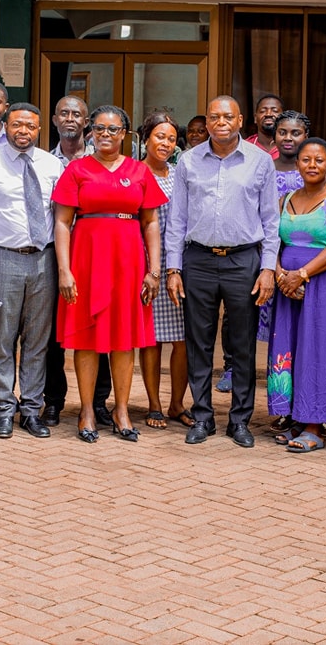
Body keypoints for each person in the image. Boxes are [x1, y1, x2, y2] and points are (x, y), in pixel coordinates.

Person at [167, 95, 279, 448]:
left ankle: (240, 420)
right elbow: (177, 219)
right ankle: (202, 416)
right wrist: (173, 267)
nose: (220, 122)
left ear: (240, 120)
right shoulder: (188, 161)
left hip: (243, 260)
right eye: (214, 117)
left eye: (227, 116)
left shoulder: (260, 162)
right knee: (198, 342)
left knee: (241, 342)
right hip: (198, 260)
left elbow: (270, 221)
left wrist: (268, 269)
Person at [52, 105, 166, 443]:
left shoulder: (139, 171)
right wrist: (64, 270)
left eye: (113, 129)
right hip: (87, 260)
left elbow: (152, 223)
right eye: (99, 128)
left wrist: (154, 270)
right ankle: (87, 409)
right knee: (87, 338)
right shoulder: (77, 169)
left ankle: (121, 409)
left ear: (125, 134)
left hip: (129, 263)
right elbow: (61, 222)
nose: (105, 134)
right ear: (91, 131)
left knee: (124, 338)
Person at [0, 103, 63, 440]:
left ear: (39, 130)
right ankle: (4, 410)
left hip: (43, 259)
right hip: (1, 259)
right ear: (5, 126)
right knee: (2, 339)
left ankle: (31, 410)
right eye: (18, 124)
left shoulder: (52, 166)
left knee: (38, 340)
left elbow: (63, 219)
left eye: (31, 126)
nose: (24, 131)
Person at [268, 137, 326, 452]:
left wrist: (301, 274)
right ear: (298, 164)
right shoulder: (286, 198)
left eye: (319, 160)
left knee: (318, 350)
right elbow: (272, 239)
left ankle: (315, 424)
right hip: (286, 288)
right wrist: (279, 273)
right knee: (289, 347)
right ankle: (293, 417)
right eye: (306, 160)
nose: (312, 165)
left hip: (322, 286)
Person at [44, 95, 111, 429]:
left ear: (87, 122)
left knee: (100, 327)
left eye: (77, 114)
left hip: (95, 257)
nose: (70, 118)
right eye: (64, 113)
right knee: (54, 334)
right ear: (55, 119)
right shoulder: (42, 161)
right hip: (53, 257)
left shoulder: (104, 160)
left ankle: (99, 402)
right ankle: (53, 401)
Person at [137, 112, 194, 430]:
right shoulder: (134, 172)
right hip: (145, 264)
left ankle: (176, 404)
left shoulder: (179, 173)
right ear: (146, 138)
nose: (166, 143)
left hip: (179, 264)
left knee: (183, 339)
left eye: (171, 138)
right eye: (160, 136)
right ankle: (154, 405)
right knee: (151, 339)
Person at [265, 110, 309, 434]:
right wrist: (275, 268)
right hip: (274, 266)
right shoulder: (263, 166)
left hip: (308, 272)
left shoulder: (317, 168)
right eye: (283, 132)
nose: (288, 138)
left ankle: (308, 406)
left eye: (295, 133)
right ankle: (282, 407)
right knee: (280, 340)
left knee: (307, 339)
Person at [246, 94, 283, 160]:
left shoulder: (290, 147)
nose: (268, 114)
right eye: (263, 111)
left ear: (283, 118)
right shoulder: (245, 147)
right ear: (255, 118)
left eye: (275, 111)